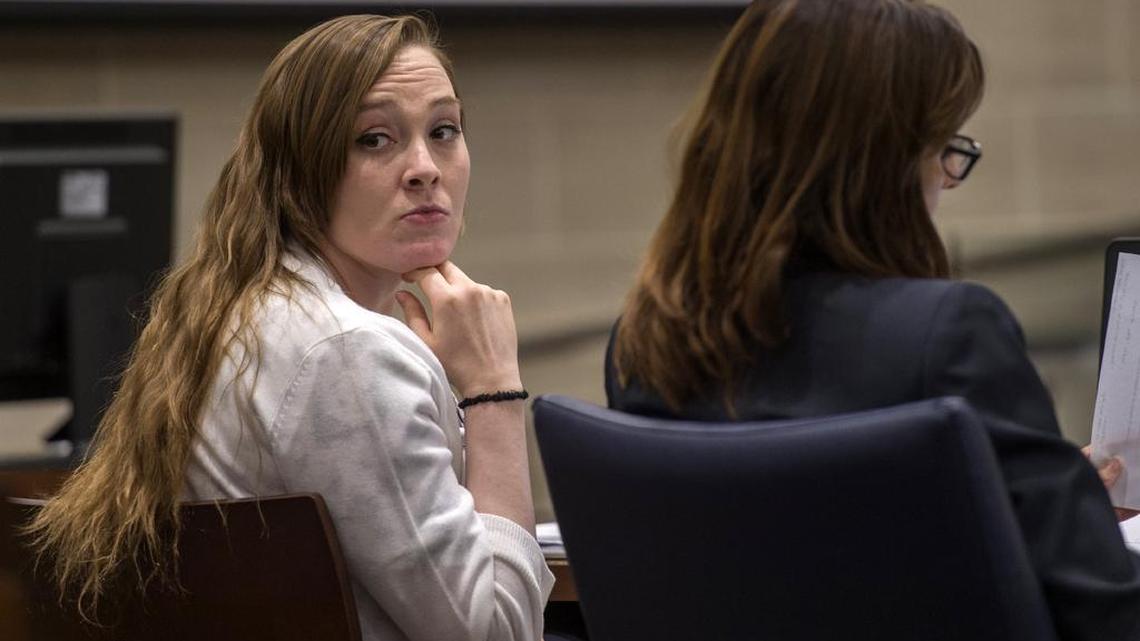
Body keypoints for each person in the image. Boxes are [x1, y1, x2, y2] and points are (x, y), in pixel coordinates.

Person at [605, 1, 1140, 639]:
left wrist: (1053, 499)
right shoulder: (949, 336)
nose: (948, 180)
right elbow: (1106, 615)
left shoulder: (643, 344)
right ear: (885, 162)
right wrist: (1076, 527)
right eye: (942, 148)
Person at [27, 15, 553, 641]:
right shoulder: (347, 351)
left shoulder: (249, 308)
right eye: (374, 140)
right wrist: (494, 391)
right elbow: (497, 633)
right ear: (300, 173)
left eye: (444, 130)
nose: (424, 168)